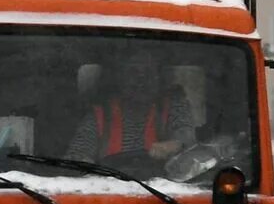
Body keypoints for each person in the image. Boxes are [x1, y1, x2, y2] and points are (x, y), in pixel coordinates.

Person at [65, 49, 196, 163]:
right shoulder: (100, 115)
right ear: (119, 78)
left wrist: (175, 145)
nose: (141, 81)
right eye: (133, 72)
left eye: (148, 72)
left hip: (165, 189)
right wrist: (83, 161)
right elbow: (77, 154)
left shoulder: (174, 107)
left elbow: (187, 138)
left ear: (160, 78)